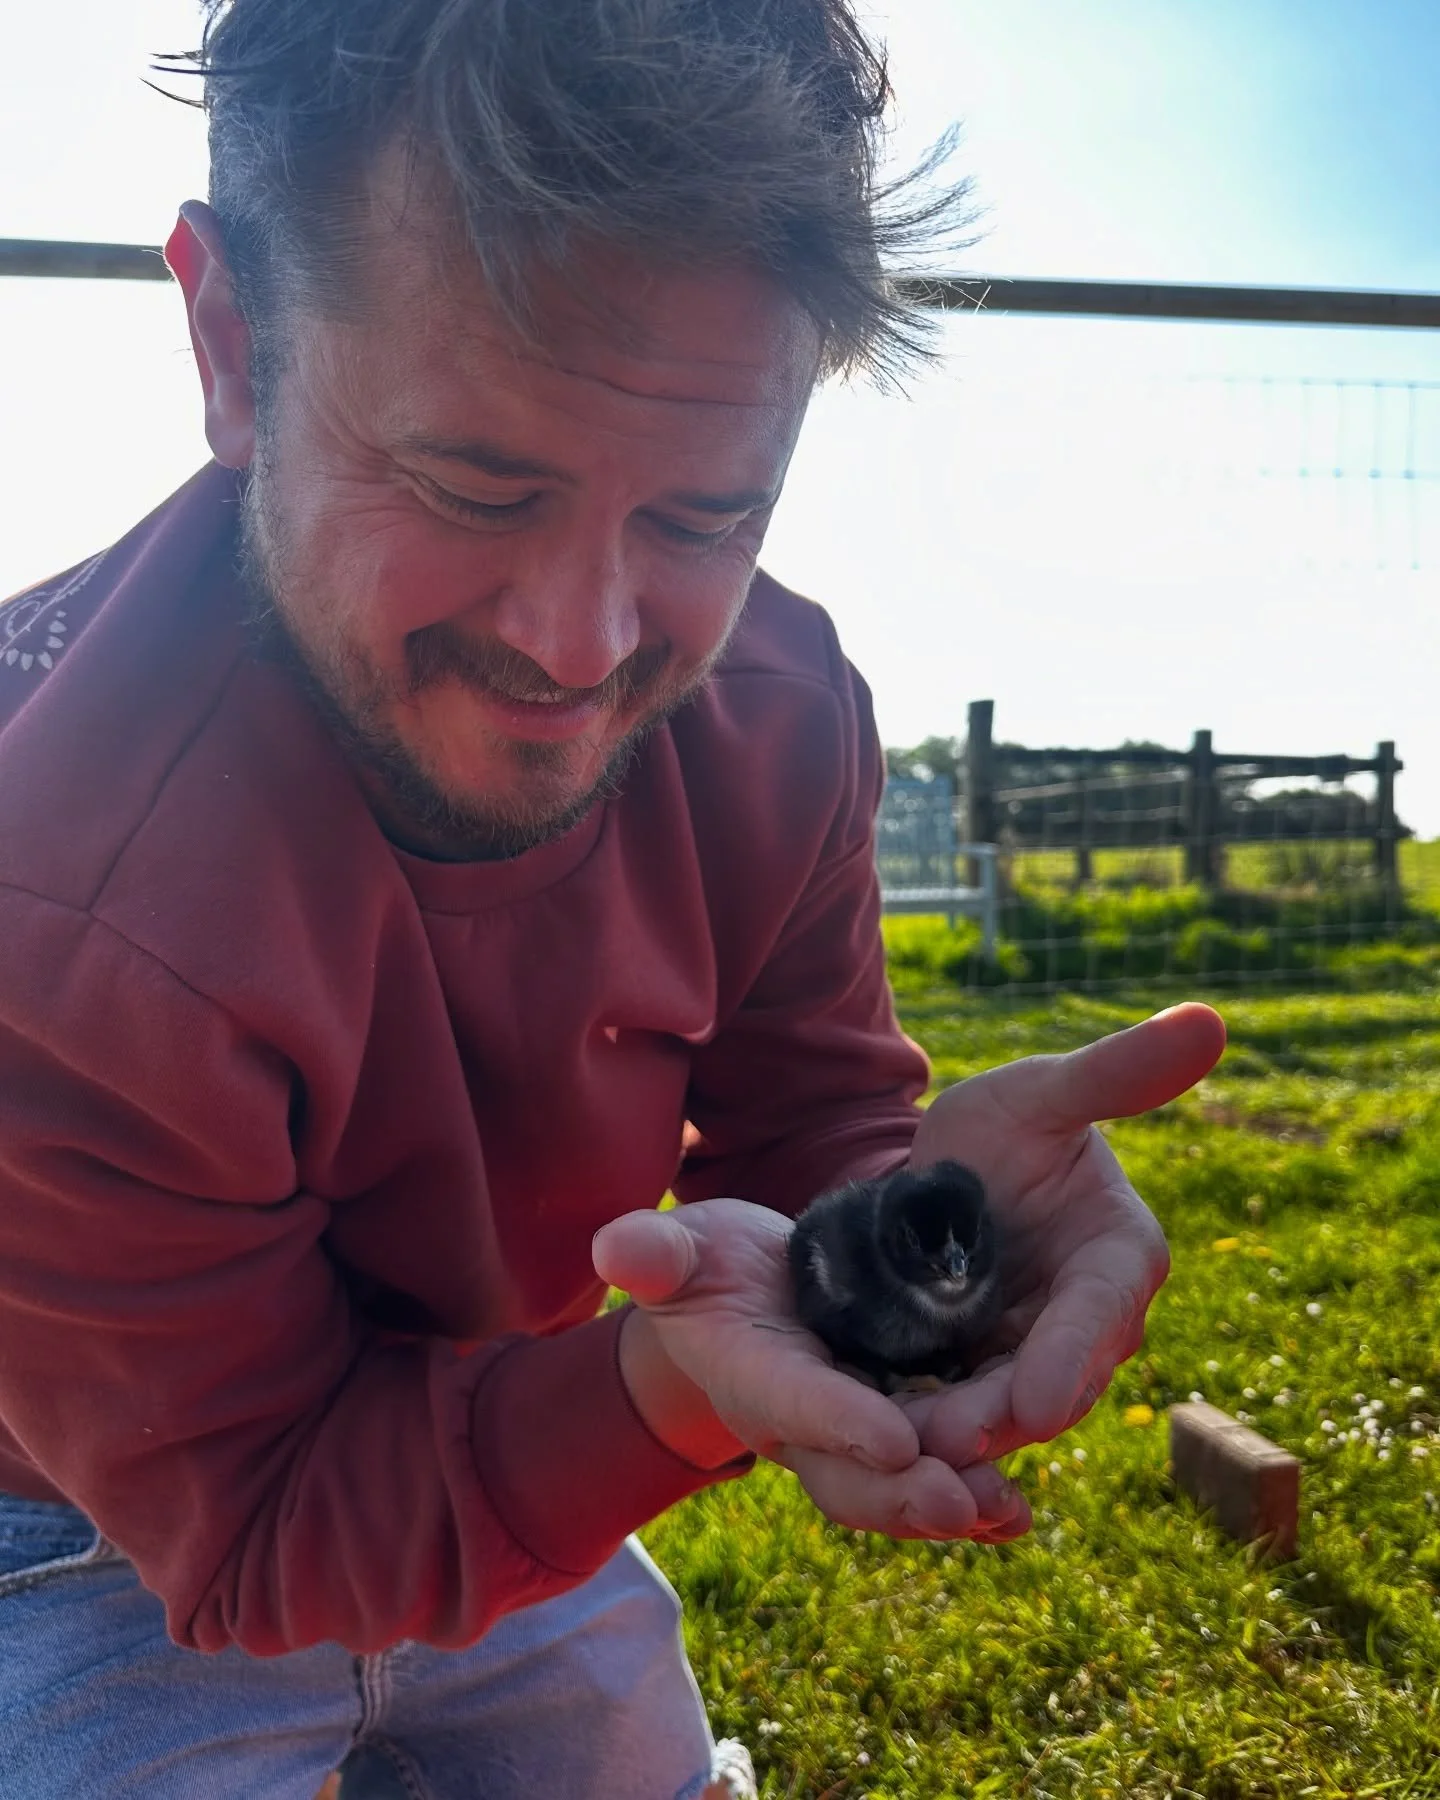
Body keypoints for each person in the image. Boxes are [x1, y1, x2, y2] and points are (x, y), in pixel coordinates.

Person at [0, 2, 1226, 1795]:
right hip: (78, 1511)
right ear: (231, 340)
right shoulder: (59, 907)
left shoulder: (776, 713)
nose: (581, 650)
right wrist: (658, 1392)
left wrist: (909, 1235)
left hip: (489, 1427)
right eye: (475, 485)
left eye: (707, 518)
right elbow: (259, 1525)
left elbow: (810, 1117)